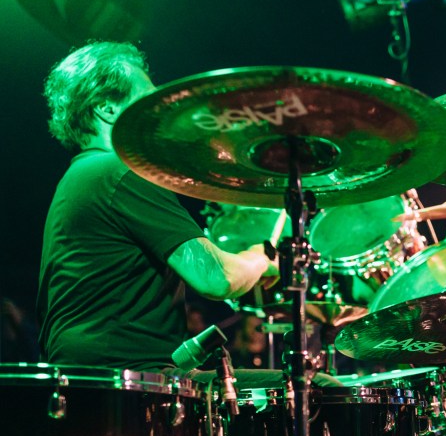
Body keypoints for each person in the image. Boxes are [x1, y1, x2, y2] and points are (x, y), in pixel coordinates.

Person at [37, 41, 278, 371]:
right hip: (133, 380)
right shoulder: (118, 172)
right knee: (319, 389)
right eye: (147, 96)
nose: (159, 108)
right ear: (107, 107)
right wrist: (260, 258)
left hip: (99, 378)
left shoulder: (80, 176)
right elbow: (216, 279)